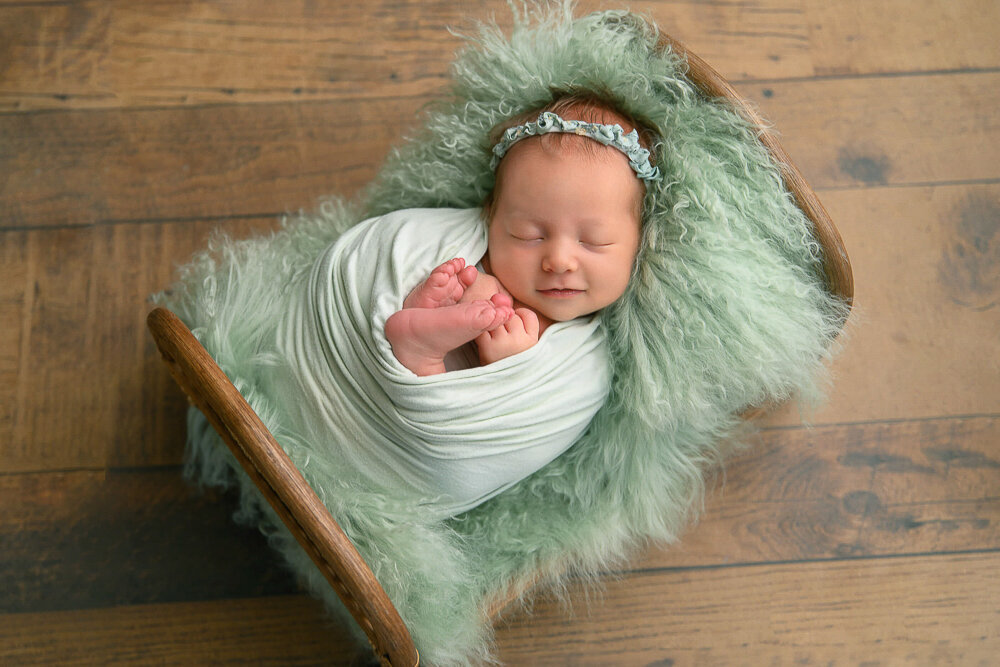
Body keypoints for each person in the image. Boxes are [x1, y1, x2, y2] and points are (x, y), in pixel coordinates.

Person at [384, 94, 659, 376]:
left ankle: (421, 345)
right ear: (491, 217)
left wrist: (505, 363)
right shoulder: (478, 275)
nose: (560, 261)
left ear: (639, 241)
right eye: (528, 235)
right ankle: (426, 327)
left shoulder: (600, 356)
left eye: (593, 241)